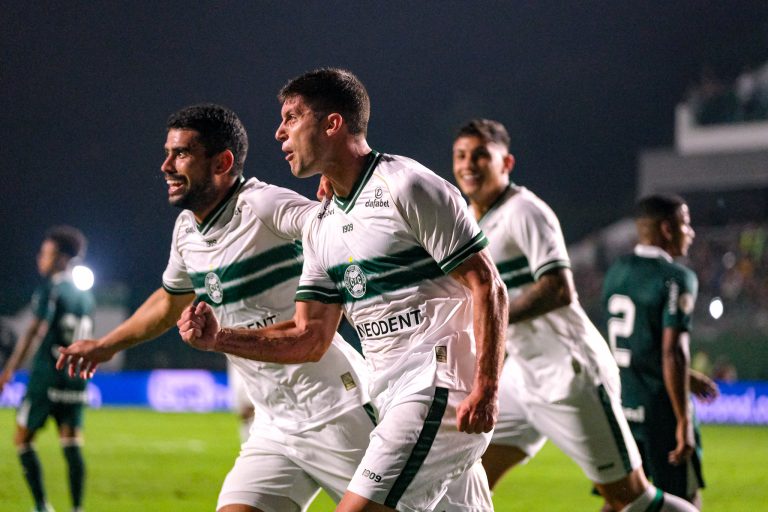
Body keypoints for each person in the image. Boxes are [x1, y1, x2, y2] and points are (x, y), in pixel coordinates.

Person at [178, 68, 508, 512]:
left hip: (438, 386)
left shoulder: (406, 186)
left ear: (332, 124)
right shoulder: (323, 225)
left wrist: (486, 387)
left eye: (292, 117)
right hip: (389, 393)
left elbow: (488, 284)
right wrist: (219, 339)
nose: (278, 132)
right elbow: (310, 336)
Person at [57, 103, 375, 512]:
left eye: (182, 154)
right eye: (167, 153)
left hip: (339, 413)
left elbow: (344, 228)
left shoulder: (263, 206)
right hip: (275, 425)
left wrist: (343, 192)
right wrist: (106, 345)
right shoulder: (187, 229)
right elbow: (171, 300)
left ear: (223, 162)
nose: (165, 166)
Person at [450, 118, 699, 512]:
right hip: (521, 376)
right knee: (466, 480)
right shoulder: (468, 218)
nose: (469, 164)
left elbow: (559, 288)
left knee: (630, 499)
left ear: (506, 163)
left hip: (569, 374)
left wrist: (494, 318)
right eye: (461, 155)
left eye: (481, 155)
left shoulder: (524, 211)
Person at [602, 194, 718, 509]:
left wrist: (687, 377)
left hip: (622, 407)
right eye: (686, 224)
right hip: (660, 411)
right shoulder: (677, 278)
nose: (690, 232)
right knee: (684, 501)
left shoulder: (616, 272)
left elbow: (636, 345)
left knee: (621, 501)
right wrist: (682, 419)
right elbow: (672, 353)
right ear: (667, 229)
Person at [0, 225, 94, 512]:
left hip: (47, 375)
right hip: (74, 379)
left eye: (47, 253)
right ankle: (77, 509)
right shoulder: (85, 295)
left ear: (63, 258)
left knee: (22, 438)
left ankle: (42, 506)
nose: (41, 258)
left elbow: (35, 331)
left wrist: (9, 370)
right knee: (71, 441)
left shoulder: (51, 289)